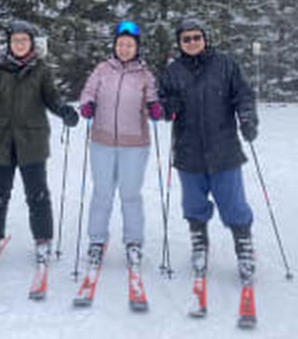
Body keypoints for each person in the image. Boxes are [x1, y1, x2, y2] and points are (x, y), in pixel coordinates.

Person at [158, 18, 258, 285]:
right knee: (193, 202)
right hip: (188, 148)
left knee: (233, 201)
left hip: (223, 146)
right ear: (179, 43)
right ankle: (199, 241)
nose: (192, 42)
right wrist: (166, 107)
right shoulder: (173, 71)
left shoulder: (225, 64)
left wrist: (247, 118)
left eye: (196, 37)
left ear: (205, 38)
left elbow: (243, 95)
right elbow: (162, 103)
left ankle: (244, 246)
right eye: (186, 39)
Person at [0, 20, 79, 265]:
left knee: (38, 194)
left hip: (32, 141)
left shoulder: (41, 70)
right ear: (9, 44)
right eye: (15, 40)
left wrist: (64, 111)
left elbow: (51, 97)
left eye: (24, 40)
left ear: (31, 43)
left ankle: (43, 240)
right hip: (1, 140)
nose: (20, 44)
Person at [78, 21, 162, 269]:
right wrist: (88, 104)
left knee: (130, 194)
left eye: (129, 45)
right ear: (114, 46)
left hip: (135, 144)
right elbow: (88, 92)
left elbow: (153, 98)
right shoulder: (102, 69)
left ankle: (133, 242)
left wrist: (155, 107)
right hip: (102, 141)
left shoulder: (145, 75)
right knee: (102, 192)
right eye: (121, 44)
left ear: (137, 47)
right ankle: (97, 241)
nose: (124, 48)